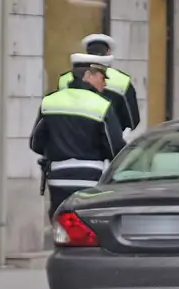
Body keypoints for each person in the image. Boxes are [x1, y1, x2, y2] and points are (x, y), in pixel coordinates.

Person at [31, 53, 126, 220]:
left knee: (60, 225)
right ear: (88, 76)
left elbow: (35, 143)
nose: (104, 83)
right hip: (90, 179)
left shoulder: (50, 102)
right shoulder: (102, 105)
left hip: (58, 179)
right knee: (88, 225)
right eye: (101, 77)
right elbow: (115, 148)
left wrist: (56, 149)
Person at [58, 34, 141, 134]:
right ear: (108, 52)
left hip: (69, 139)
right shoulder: (122, 80)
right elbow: (132, 121)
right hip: (109, 142)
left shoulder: (64, 79)